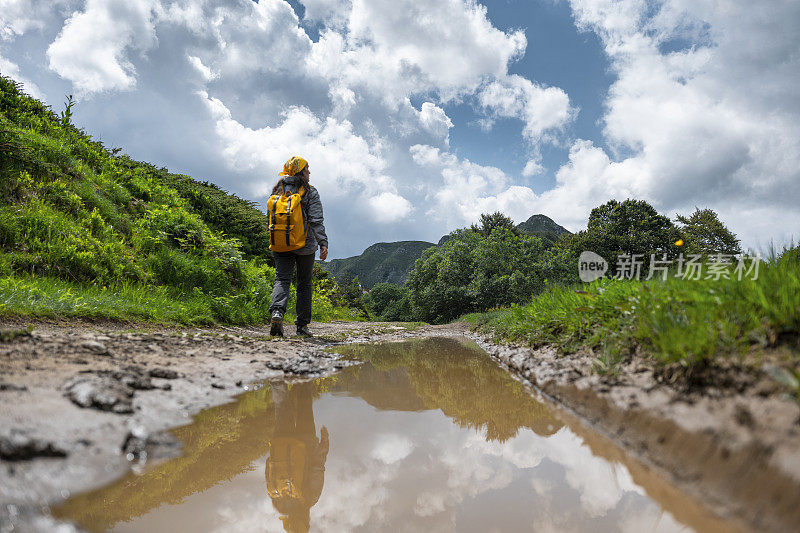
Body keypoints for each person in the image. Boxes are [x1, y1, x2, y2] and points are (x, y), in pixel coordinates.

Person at [268, 156, 328, 337]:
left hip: (281, 243)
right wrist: (323, 242)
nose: (309, 172)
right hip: (305, 245)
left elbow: (270, 217)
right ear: (301, 172)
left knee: (282, 279)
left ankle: (277, 312)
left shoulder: (278, 189)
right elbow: (316, 219)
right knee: (304, 284)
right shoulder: (310, 191)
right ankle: (302, 326)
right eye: (307, 169)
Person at [265, 381, 329, 533]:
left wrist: (324, 444)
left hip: (305, 444)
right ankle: (276, 377)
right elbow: (269, 465)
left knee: (304, 405)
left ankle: (303, 372)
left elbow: (317, 467)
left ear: (306, 521)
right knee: (281, 408)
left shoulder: (309, 500)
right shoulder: (277, 501)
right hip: (281, 443)